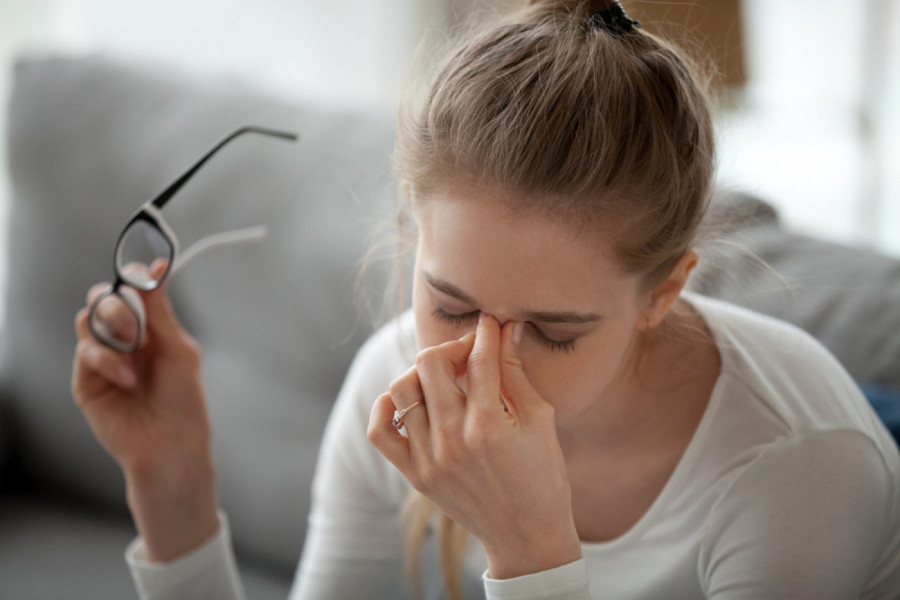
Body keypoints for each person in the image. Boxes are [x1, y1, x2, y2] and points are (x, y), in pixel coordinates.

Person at [71, 1, 900, 598]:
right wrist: (171, 482)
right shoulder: (393, 380)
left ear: (663, 293)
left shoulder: (797, 466)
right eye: (453, 305)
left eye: (553, 330)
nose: (480, 365)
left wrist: (532, 548)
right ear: (410, 235)